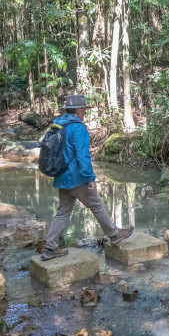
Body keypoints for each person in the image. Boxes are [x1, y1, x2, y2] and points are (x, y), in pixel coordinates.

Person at [42, 94, 133, 260]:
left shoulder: (58, 124)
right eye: (84, 109)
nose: (85, 112)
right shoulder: (78, 128)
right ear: (77, 110)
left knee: (62, 212)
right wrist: (90, 178)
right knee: (96, 204)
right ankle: (114, 234)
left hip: (61, 177)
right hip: (76, 178)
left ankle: (50, 248)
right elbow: (82, 156)